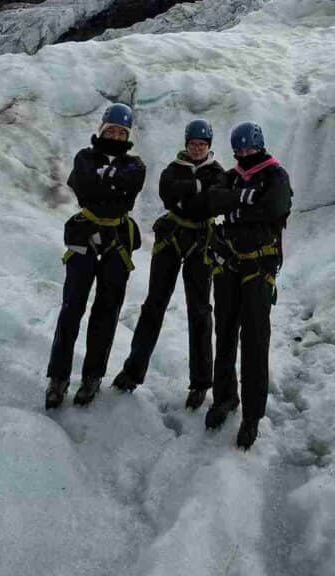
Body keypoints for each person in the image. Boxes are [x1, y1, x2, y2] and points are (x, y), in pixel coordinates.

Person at [112, 119, 224, 409]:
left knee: (200, 311)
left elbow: (213, 203)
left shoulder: (217, 174)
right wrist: (197, 191)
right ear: (186, 144)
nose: (197, 149)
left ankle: (201, 383)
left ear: (208, 146)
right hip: (173, 239)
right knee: (153, 306)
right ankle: (132, 372)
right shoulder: (174, 170)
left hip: (199, 241)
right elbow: (168, 194)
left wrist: (188, 196)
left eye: (201, 145)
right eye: (193, 144)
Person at [45, 103, 146, 409]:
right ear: (102, 129)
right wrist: (110, 182)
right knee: (71, 308)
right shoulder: (85, 157)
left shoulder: (136, 165)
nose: (115, 136)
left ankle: (92, 377)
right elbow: (84, 185)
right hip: (85, 237)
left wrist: (104, 179)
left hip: (115, 240)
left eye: (121, 132)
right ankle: (58, 378)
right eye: (111, 130)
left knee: (106, 312)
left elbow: (126, 186)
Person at [205, 122, 292, 449]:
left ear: (259, 145)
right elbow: (212, 201)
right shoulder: (232, 175)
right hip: (228, 264)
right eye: (239, 150)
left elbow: (274, 206)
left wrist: (235, 202)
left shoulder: (276, 176)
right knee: (224, 333)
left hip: (258, 267)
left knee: (255, 341)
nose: (244, 154)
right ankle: (225, 397)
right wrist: (244, 197)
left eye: (248, 148)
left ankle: (252, 415)